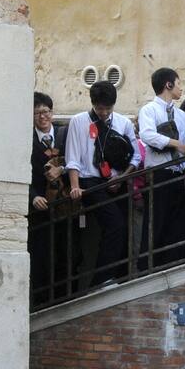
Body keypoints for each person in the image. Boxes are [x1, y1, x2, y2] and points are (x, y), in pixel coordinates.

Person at [65, 81, 142, 287]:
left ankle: (119, 276)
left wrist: (122, 177)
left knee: (121, 228)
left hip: (117, 181)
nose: (104, 113)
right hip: (90, 182)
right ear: (93, 104)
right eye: (100, 108)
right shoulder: (78, 121)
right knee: (115, 224)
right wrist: (75, 186)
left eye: (108, 108)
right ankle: (101, 279)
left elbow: (135, 157)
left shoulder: (123, 123)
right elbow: (72, 158)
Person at [138, 67, 185, 266]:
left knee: (176, 223)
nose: (181, 89)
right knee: (155, 221)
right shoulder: (149, 110)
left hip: (177, 173)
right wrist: (174, 143)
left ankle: (173, 264)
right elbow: (146, 134)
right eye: (178, 84)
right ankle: (146, 267)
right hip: (158, 172)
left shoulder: (180, 115)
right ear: (168, 85)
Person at [28, 92, 72, 302]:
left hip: (65, 205)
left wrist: (61, 169)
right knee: (40, 258)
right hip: (40, 208)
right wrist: (33, 196)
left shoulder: (65, 135)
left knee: (68, 254)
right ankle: (41, 304)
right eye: (36, 113)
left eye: (45, 111)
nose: (42, 117)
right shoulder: (25, 140)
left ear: (52, 113)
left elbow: (78, 160)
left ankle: (65, 300)